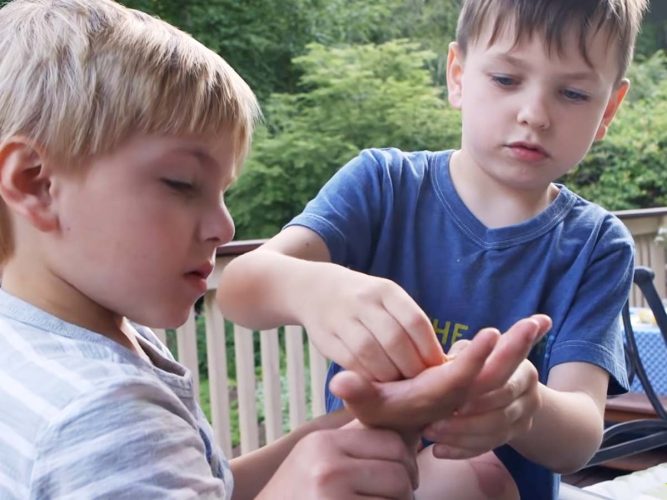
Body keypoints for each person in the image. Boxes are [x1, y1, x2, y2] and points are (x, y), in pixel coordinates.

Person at [0, 1, 554, 499]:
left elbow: (210, 483)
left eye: (223, 192)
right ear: (34, 183)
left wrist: (397, 420)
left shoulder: (66, 341)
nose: (224, 224)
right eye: (181, 183)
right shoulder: (103, 417)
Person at [216, 1, 648, 498]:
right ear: (458, 75)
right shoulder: (382, 185)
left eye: (573, 92)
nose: (535, 114)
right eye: (507, 79)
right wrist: (312, 288)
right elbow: (238, 289)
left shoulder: (597, 244)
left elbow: (579, 437)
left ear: (608, 110)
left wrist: (524, 405)